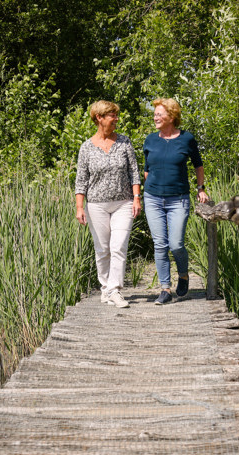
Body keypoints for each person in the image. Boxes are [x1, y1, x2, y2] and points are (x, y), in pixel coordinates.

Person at [75, 100, 141, 308]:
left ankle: (115, 290)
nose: (116, 119)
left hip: (123, 203)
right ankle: (105, 288)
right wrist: (79, 207)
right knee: (102, 249)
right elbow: (81, 180)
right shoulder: (86, 147)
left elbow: (134, 172)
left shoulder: (124, 142)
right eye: (112, 115)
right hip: (96, 205)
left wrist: (137, 198)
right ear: (99, 118)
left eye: (116, 115)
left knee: (118, 246)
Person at [143, 98, 209, 305]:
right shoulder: (150, 140)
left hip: (178, 199)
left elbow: (198, 165)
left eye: (159, 114)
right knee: (160, 244)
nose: (155, 117)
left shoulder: (187, 139)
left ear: (171, 116)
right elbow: (146, 170)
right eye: (155, 114)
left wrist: (200, 189)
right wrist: (152, 189)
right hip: (153, 198)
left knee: (176, 244)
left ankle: (183, 275)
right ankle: (164, 289)